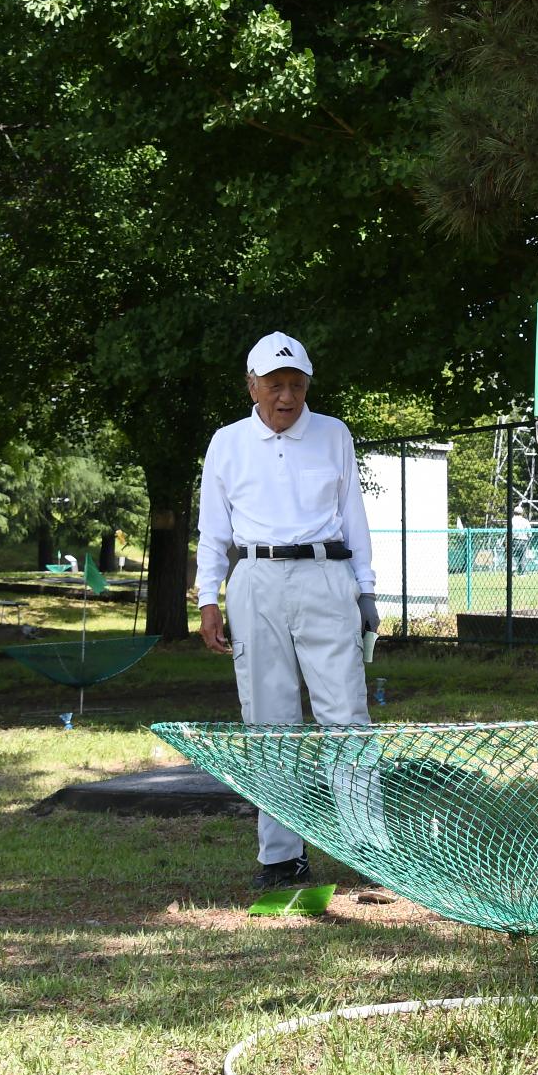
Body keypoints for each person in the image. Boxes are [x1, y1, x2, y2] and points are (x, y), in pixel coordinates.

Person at [196, 331, 382, 888]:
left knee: (346, 714)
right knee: (269, 720)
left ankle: (369, 849)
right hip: (254, 580)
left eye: (296, 385)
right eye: (275, 385)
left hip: (328, 576)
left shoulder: (334, 435)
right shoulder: (226, 443)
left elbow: (354, 515)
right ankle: (281, 857)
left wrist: (366, 589)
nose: (286, 397)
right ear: (251, 386)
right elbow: (212, 530)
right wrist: (208, 598)